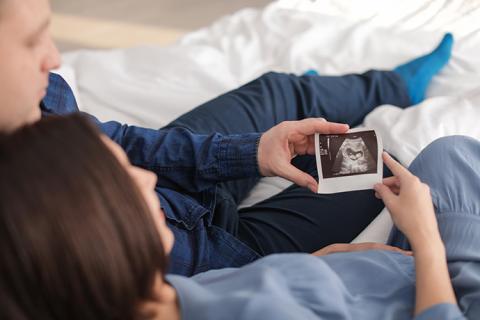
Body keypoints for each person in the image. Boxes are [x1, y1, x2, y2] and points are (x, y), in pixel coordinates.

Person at [0, 0, 455, 275]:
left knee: (277, 91)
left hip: (178, 186)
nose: (56, 58)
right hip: (229, 255)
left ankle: (391, 86)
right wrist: (290, 273)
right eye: (32, 43)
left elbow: (119, 144)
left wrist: (252, 151)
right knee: (377, 164)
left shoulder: (38, 103)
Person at [0, 114, 478, 320]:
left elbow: (256, 287)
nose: (147, 180)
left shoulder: (151, 298)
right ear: (94, 236)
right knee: (451, 156)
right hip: (441, 297)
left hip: (385, 273)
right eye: (124, 178)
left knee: (444, 159)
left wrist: (319, 265)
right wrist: (426, 238)